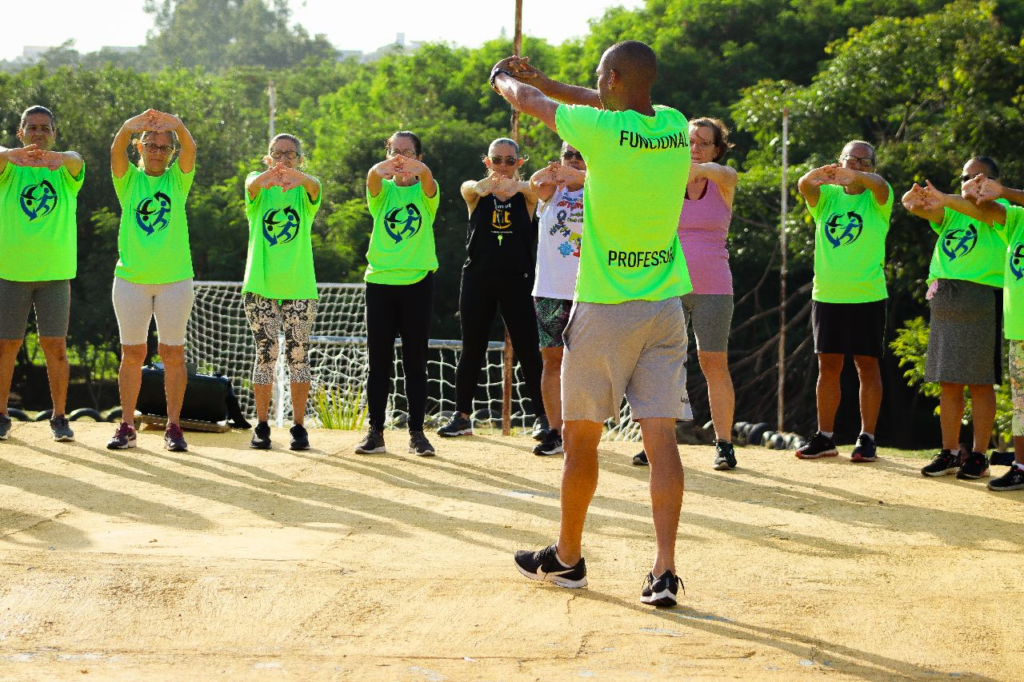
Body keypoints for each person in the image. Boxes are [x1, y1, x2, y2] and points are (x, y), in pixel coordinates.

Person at [493, 40, 693, 607]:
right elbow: (592, 99)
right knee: (661, 442)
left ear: (611, 78)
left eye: (600, 77)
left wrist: (503, 80)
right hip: (664, 306)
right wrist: (556, 83)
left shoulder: (599, 133)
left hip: (605, 308)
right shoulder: (675, 124)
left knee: (580, 440)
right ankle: (663, 571)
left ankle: (569, 559)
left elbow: (527, 99)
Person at [634, 118, 739, 471]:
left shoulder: (724, 179)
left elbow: (722, 174)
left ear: (716, 149)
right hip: (668, 285)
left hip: (714, 288)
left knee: (714, 364)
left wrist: (696, 166)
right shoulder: (668, 177)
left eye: (703, 143)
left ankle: (724, 444)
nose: (694, 147)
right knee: (662, 364)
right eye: (689, 141)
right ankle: (654, 443)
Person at [907, 176, 1024, 491]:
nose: (970, 183)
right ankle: (949, 452)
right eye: (964, 177)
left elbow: (986, 210)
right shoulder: (951, 212)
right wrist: (921, 194)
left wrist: (993, 195)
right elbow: (911, 203)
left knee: (981, 381)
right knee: (949, 380)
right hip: (947, 299)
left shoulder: (1000, 214)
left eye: (978, 177)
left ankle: (979, 455)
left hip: (983, 299)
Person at [436, 138, 547, 439]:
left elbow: (537, 190)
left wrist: (518, 186)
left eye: (509, 161)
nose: (502, 166)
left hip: (518, 280)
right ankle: (461, 416)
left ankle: (543, 417)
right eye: (496, 160)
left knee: (528, 349)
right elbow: (468, 188)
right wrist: (483, 185)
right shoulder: (476, 193)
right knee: (473, 347)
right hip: (478, 279)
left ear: (519, 163)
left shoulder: (527, 196)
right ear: (487, 161)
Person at [795, 141, 893, 463]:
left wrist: (853, 173)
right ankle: (825, 436)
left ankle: (867, 437)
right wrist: (821, 174)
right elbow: (804, 185)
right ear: (839, 162)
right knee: (829, 366)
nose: (858, 166)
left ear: (873, 166)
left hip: (867, 294)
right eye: (851, 160)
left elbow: (878, 185)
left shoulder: (878, 198)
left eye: (865, 162)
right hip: (828, 294)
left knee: (867, 365)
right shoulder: (828, 199)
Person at [106, 109, 196, 452]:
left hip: (175, 281)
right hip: (131, 280)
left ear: (170, 153)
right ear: (139, 149)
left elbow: (191, 150)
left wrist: (177, 124)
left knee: (172, 354)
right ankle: (127, 425)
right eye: (151, 144)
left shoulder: (177, 180)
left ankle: (174, 426)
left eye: (164, 146)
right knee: (132, 354)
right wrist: (130, 125)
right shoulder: (128, 181)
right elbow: (115, 151)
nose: (157, 150)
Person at [0, 106, 84, 443]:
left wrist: (59, 157)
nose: (38, 133)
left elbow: (77, 158)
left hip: (54, 273)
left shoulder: (63, 170)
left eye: (45, 128)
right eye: (32, 128)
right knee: (6, 346)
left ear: (53, 132)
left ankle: (60, 417)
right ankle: (2, 415)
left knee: (56, 347)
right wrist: (9, 153)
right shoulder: (9, 169)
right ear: (21, 133)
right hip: (11, 272)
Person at [356, 131, 439, 457]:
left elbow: (429, 180)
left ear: (419, 158)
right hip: (380, 284)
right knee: (378, 363)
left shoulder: (427, 192)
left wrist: (417, 169)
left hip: (418, 283)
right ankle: (375, 432)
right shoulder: (381, 193)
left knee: (415, 363)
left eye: (408, 153)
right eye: (395, 152)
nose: (402, 159)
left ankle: (417, 433)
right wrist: (385, 167)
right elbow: (372, 179)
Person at [242, 133, 322, 451]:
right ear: (267, 157)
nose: (283, 160)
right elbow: (252, 185)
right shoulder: (258, 189)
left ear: (300, 159)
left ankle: (298, 427)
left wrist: (294, 175)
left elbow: (315, 186)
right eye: (277, 154)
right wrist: (273, 173)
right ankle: (261, 426)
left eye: (290, 155)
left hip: (299, 287)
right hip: (260, 286)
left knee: (298, 358)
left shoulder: (304, 192)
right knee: (266, 356)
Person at [529, 142, 586, 457]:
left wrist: (581, 175)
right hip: (550, 291)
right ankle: (554, 430)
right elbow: (534, 183)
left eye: (580, 155)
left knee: (586, 366)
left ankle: (581, 429)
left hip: (591, 292)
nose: (574, 161)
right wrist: (554, 172)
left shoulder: (599, 189)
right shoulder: (553, 193)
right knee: (552, 361)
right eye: (568, 155)